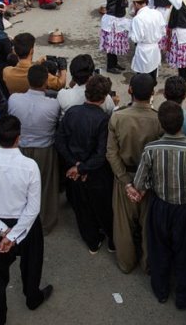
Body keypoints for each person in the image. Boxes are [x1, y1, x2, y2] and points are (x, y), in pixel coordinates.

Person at [0, 115, 54, 325]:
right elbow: (33, 207)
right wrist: (15, 234)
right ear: (18, 138)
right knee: (31, 264)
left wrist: (1, 230)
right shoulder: (29, 165)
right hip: (25, 225)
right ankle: (32, 297)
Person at [130, 101, 186, 309]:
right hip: (185, 209)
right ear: (182, 122)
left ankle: (161, 291)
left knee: (159, 250)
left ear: (161, 124)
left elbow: (139, 183)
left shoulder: (151, 149)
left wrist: (152, 183)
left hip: (159, 207)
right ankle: (185, 297)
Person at [107, 73, 163, 273]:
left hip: (125, 177)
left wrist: (126, 183)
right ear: (153, 93)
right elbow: (160, 156)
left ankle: (126, 262)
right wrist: (146, 184)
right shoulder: (158, 120)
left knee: (123, 225)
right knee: (148, 226)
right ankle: (148, 264)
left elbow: (111, 153)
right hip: (149, 180)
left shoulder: (118, 116)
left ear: (130, 90)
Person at [55, 74, 114, 253]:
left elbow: (60, 141)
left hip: (74, 171)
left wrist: (75, 165)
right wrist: (81, 167)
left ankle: (92, 241)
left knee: (82, 210)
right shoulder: (103, 119)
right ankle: (112, 240)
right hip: (96, 173)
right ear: (104, 98)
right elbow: (101, 153)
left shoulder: (72, 112)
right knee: (104, 208)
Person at [8, 65, 62, 234]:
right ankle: (44, 223)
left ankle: (21, 222)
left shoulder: (14, 99)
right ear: (46, 82)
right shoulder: (53, 105)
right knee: (45, 187)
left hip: (20, 149)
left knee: (20, 187)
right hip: (44, 151)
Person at [2, 33, 67, 94]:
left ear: (15, 52)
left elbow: (24, 67)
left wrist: (37, 62)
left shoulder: (6, 72)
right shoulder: (40, 74)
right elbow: (60, 84)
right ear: (31, 51)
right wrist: (63, 68)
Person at [100, 0, 137, 73]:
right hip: (112, 21)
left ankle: (114, 63)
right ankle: (110, 66)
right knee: (111, 45)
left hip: (116, 19)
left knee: (114, 44)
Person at [129, 0, 166, 79]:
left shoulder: (138, 19)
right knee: (153, 75)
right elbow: (163, 31)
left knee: (142, 78)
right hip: (155, 48)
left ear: (136, 4)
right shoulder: (157, 13)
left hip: (143, 50)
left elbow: (136, 38)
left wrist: (130, 32)